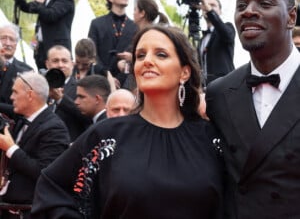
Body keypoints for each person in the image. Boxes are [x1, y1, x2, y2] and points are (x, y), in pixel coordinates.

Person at [30, 25, 224, 219]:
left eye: (161, 54)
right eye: (140, 55)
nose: (147, 61)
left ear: (184, 72)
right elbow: (52, 187)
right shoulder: (107, 136)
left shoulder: (211, 140)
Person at [205, 0, 300, 218]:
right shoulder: (218, 93)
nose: (249, 11)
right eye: (241, 5)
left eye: (265, 4)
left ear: (291, 17)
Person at [0, 71, 70, 219]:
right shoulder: (21, 119)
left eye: (15, 92)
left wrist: (11, 149)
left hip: (29, 213)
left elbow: (45, 173)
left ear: (30, 95)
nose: (11, 97)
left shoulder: (55, 128)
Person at [10, 0, 75, 70]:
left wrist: (38, 2)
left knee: (57, 82)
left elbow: (51, 15)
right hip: (41, 51)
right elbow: (26, 8)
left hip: (57, 52)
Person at [88, 0, 138, 87]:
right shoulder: (96, 23)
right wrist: (106, 75)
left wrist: (120, 78)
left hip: (126, 81)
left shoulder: (135, 26)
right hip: (101, 80)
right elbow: (92, 53)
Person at [45, 45, 90, 141]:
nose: (60, 65)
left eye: (64, 61)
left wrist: (61, 99)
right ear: (47, 64)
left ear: (72, 64)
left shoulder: (82, 88)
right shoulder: (40, 87)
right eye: (55, 61)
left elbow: (87, 116)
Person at [195, 0, 235, 88]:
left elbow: (227, 35)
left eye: (212, 5)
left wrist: (209, 10)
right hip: (205, 88)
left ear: (220, 11)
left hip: (225, 86)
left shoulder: (228, 27)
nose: (207, 6)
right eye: (205, 4)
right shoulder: (202, 39)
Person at [0, 23, 33, 104]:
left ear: (16, 44)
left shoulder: (26, 71)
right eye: (3, 38)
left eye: (11, 39)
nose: (7, 43)